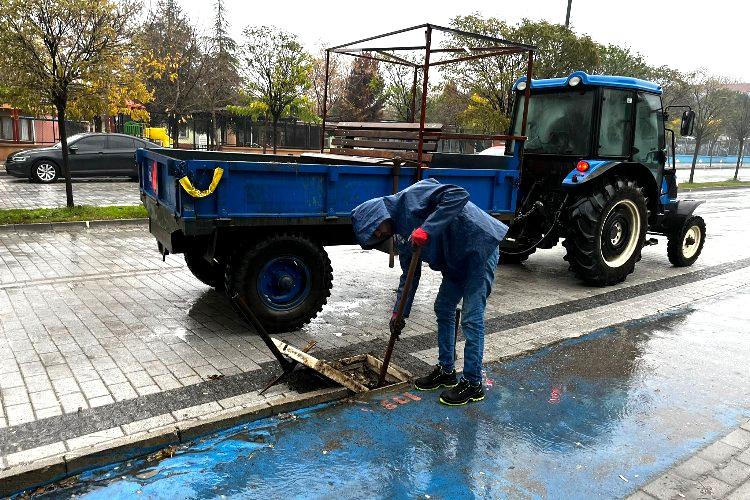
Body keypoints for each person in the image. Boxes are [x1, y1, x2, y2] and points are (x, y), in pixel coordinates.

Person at [351, 178, 508, 406]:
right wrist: (399, 314)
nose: (378, 236)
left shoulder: (413, 196)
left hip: (478, 247)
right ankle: (446, 371)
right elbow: (409, 276)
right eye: (375, 237)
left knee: (471, 318)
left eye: (375, 231)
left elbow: (459, 193)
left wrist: (427, 229)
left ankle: (473, 382)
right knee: (443, 307)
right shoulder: (399, 236)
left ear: (377, 216)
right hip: (455, 260)